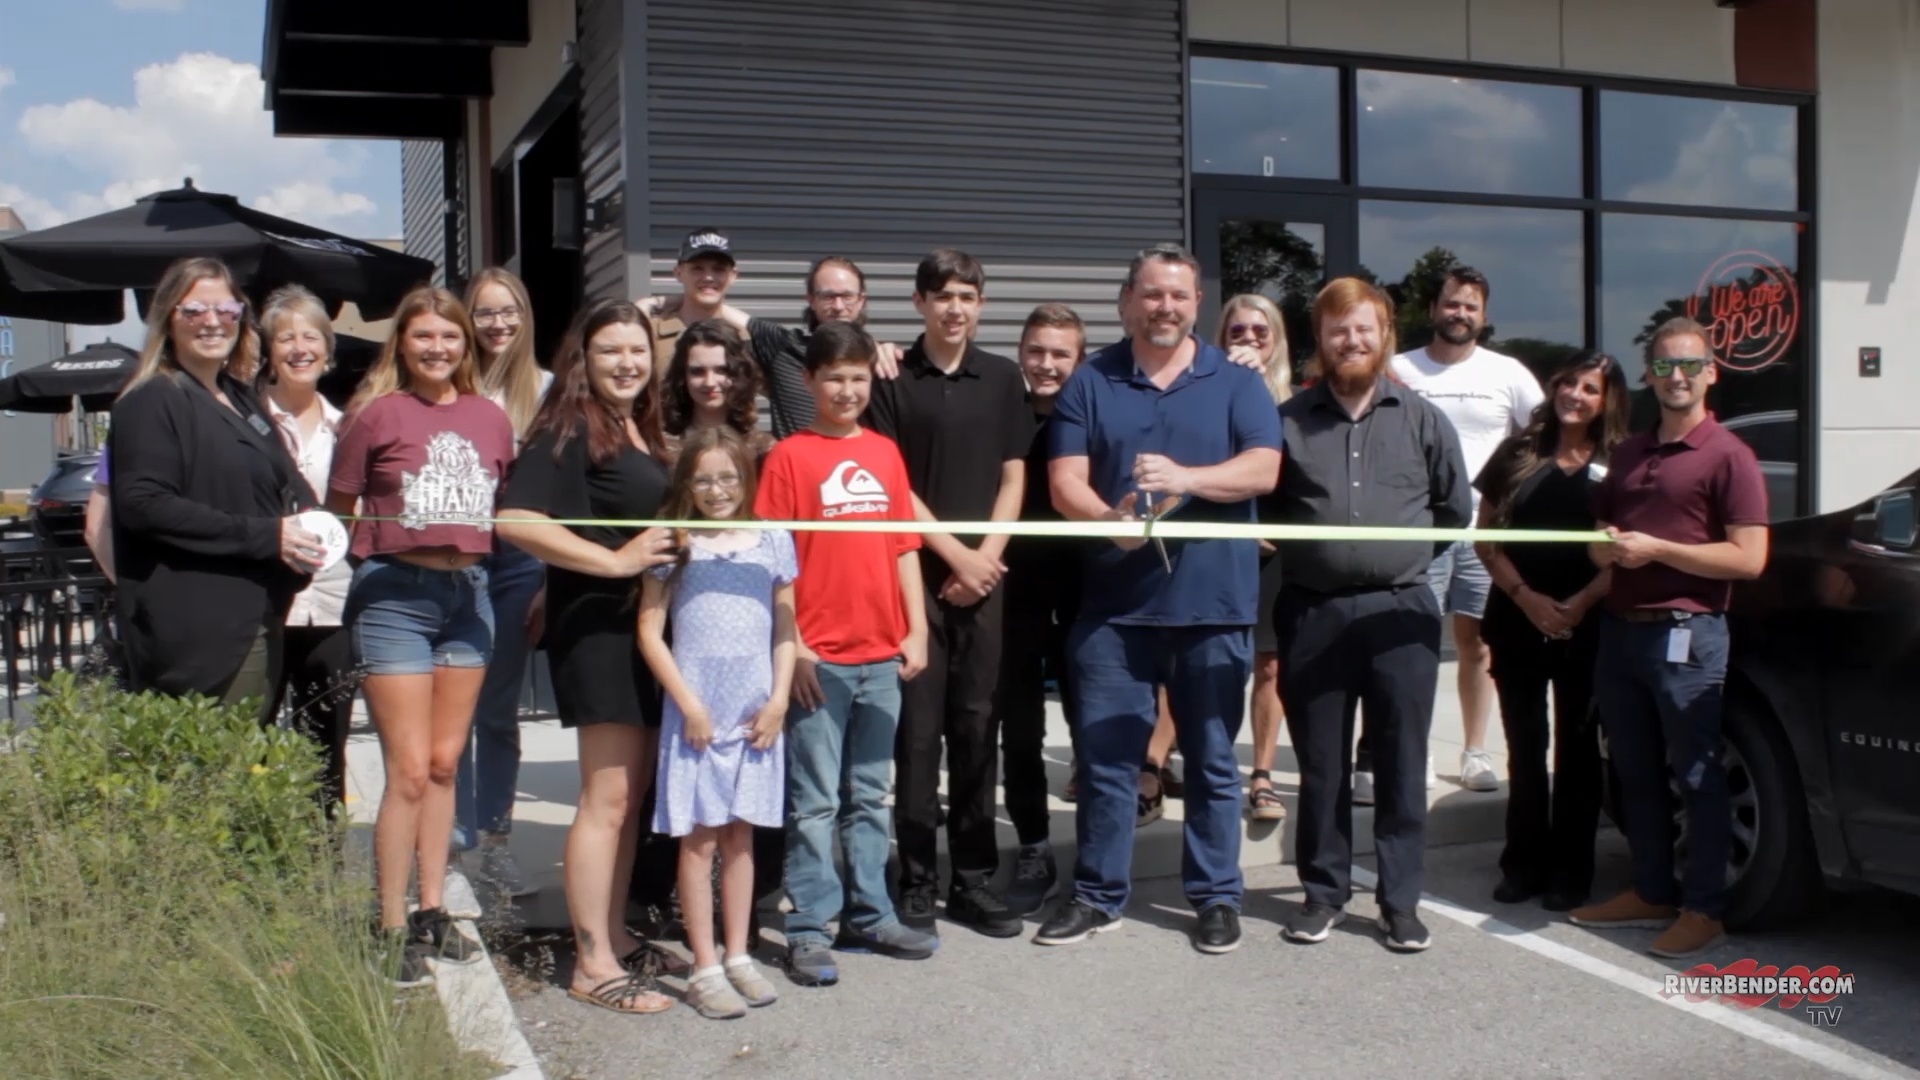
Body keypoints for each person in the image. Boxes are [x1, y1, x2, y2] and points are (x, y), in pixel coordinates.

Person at [1035, 243, 1282, 956]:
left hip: (1214, 605)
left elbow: (1263, 469)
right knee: (1107, 763)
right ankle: (1097, 895)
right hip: (1113, 611)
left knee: (1211, 761)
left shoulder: (1235, 381)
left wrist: (1186, 478)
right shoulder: (1092, 379)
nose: (1164, 307)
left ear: (1197, 303)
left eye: (1177, 295)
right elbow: (1065, 480)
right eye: (1151, 294)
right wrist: (1106, 521)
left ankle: (1215, 896)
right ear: (1127, 301)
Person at [1269, 276, 1470, 953]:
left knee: (1401, 760)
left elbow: (1453, 511)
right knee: (1322, 765)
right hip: (1313, 612)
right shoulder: (1289, 421)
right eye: (1338, 330)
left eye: (1363, 329)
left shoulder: (1422, 419)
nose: (1350, 341)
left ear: (1384, 336)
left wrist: (1394, 561)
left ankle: (1400, 901)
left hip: (1401, 613)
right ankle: (1323, 894)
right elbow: (1265, 509)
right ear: (1320, 340)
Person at [494, 299, 683, 1014]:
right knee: (605, 800)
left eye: (637, 350)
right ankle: (592, 964)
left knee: (628, 799)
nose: (627, 363)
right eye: (610, 351)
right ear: (583, 359)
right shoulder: (567, 425)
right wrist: (615, 562)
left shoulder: (636, 426)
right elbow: (516, 519)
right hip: (599, 630)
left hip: (643, 631)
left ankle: (615, 936)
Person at [328, 286, 515, 987]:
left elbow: (503, 509)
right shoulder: (376, 414)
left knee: (443, 765)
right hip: (396, 599)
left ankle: (433, 910)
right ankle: (389, 923)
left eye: (450, 336)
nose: (438, 348)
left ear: (466, 344)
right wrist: (374, 561)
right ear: (402, 343)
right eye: (424, 336)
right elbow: (338, 510)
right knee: (407, 770)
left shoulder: (490, 418)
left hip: (470, 598)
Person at [1571, 316, 1769, 959]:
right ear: (1649, 376)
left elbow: (1749, 559)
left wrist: (1658, 549)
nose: (1675, 376)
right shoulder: (1629, 452)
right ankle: (1652, 890)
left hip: (1688, 635)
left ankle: (1703, 909)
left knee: (1696, 773)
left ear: (1711, 372)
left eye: (1688, 365)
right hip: (1621, 633)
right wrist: (1604, 551)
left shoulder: (1730, 456)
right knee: (1634, 772)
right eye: (1663, 366)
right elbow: (1599, 541)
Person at [753, 319, 936, 987]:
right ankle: (808, 926)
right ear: (809, 381)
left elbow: (904, 547)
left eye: (859, 378)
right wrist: (795, 647)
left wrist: (916, 629)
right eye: (835, 378)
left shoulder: (884, 454)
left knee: (869, 794)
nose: (848, 390)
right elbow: (774, 563)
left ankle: (870, 912)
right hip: (818, 660)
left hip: (881, 656)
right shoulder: (788, 457)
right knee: (814, 803)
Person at [863, 248, 1030, 940]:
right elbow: (892, 484)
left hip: (985, 579)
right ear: (919, 303)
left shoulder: (1004, 377)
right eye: (942, 296)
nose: (954, 308)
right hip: (912, 578)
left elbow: (1014, 477)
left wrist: (985, 559)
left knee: (976, 726)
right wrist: (955, 555)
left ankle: (973, 878)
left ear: (980, 304)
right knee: (917, 732)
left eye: (966, 296)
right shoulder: (893, 377)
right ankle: (917, 878)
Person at [107, 256, 323, 718]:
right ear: (168, 318)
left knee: (249, 752)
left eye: (225, 309)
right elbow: (144, 504)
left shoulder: (239, 396)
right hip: (201, 631)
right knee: (224, 756)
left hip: (256, 611)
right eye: (194, 310)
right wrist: (268, 536)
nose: (212, 321)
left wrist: (311, 517)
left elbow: (285, 476)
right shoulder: (152, 400)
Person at [638, 427, 796, 1019]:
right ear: (686, 483)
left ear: (746, 478)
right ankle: (704, 966)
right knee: (699, 839)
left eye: (728, 477)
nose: (716, 489)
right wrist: (689, 704)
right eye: (703, 479)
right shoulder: (675, 541)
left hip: (755, 714)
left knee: (741, 836)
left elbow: (786, 629)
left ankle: (738, 955)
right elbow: (649, 631)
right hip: (698, 716)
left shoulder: (773, 539)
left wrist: (779, 699)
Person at [1378, 267, 1545, 798]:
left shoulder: (1508, 373)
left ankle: (1475, 752)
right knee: (1414, 644)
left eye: (1471, 306)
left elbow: (1543, 435)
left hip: (1483, 532)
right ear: (1433, 309)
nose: (1460, 314)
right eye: (1451, 304)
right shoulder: (1398, 369)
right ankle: (1418, 750)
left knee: (1476, 644)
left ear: (1484, 316)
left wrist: (1514, 494)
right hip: (1417, 531)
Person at [1474, 350, 1629, 912]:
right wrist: (1527, 598)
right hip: (1517, 617)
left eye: (1590, 389)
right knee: (1525, 747)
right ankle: (1523, 864)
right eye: (1569, 383)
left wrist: (1579, 604)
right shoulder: (1517, 452)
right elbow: (1485, 537)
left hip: (1587, 623)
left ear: (1606, 401)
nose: (1575, 396)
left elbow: (1626, 551)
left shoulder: (1622, 461)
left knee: (1579, 751)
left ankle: (1571, 871)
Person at [455, 267, 555, 897]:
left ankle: (493, 841)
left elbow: (560, 489)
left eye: (508, 310)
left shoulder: (546, 390)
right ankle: (449, 843)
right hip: (455, 557)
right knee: (449, 708)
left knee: (495, 710)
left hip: (519, 562)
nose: (498, 324)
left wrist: (548, 578)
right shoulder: (451, 384)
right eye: (486, 312)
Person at [995, 303, 1087, 917]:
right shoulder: (1001, 410)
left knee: (1094, 729)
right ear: (1021, 352)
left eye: (1060, 354)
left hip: (1085, 593)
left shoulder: (1094, 415)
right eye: (1036, 351)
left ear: (1079, 360)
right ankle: (1033, 846)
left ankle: (1097, 854)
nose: (1046, 364)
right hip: (1013, 594)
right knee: (1021, 732)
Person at [256, 284, 356, 811]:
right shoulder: (244, 424)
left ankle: (322, 850)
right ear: (268, 351)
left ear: (328, 349)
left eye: (311, 336)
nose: (300, 348)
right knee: (253, 741)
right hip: (264, 606)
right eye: (285, 338)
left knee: (327, 745)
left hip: (334, 605)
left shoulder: (350, 427)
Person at [1219, 293, 1293, 822]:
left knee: (1269, 666)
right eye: (1237, 331)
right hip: (1219, 549)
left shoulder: (1298, 403)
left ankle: (1262, 775)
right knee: (1205, 660)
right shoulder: (1203, 390)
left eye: (1260, 332)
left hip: (1275, 554)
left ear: (1277, 341)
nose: (1248, 339)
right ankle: (1168, 760)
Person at [661, 318, 776, 465]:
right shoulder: (660, 447)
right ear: (682, 376)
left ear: (740, 373)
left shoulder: (763, 449)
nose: (709, 382)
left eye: (722, 370)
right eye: (697, 371)